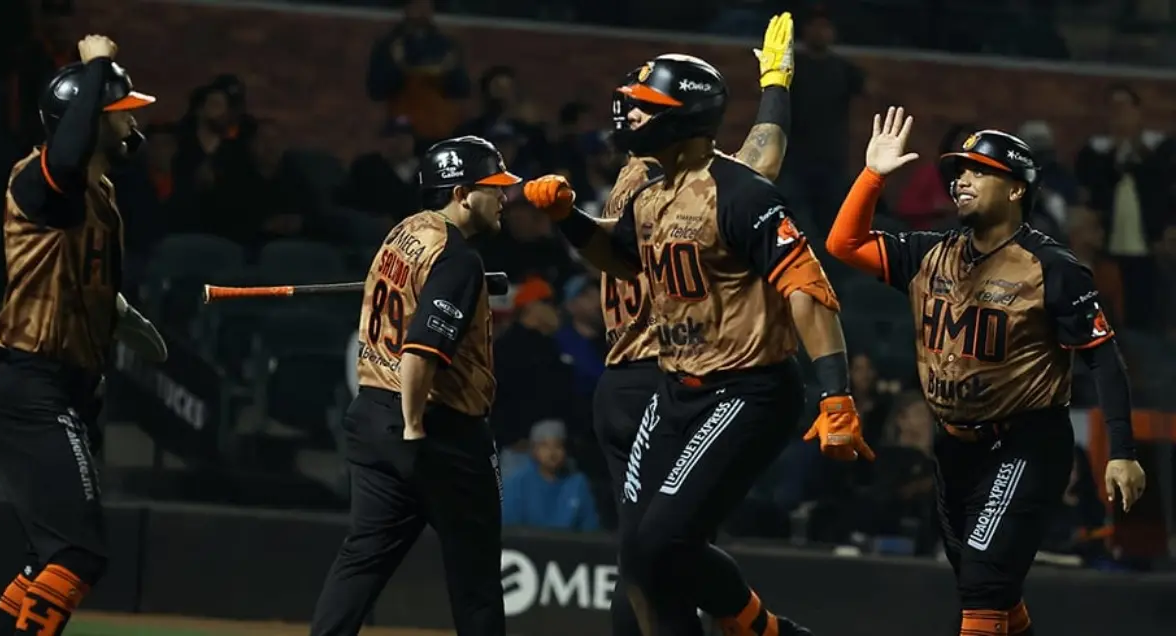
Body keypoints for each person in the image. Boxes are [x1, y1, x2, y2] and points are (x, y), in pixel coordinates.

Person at [525, 52, 872, 636]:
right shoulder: (652, 192)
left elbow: (807, 290)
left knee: (664, 541)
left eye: (647, 108)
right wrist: (569, 218)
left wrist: (835, 394)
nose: (631, 117)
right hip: (677, 385)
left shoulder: (740, 193)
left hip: (746, 387)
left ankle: (765, 629)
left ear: (683, 118)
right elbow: (623, 258)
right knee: (640, 558)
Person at [825, 107, 1147, 636]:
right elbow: (844, 244)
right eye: (959, 171)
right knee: (991, 591)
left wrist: (1122, 452)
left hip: (1025, 440)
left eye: (978, 171)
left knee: (982, 580)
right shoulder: (930, 253)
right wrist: (873, 175)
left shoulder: (1052, 268)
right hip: (954, 445)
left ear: (1017, 189)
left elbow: (1103, 357)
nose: (962, 180)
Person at [589, 12, 797, 636]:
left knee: (648, 558)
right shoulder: (670, 178)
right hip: (665, 377)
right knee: (657, 558)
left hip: (624, 378)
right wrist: (776, 85)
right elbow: (762, 159)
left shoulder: (633, 174)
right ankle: (760, 627)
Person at [0, 34, 167, 636]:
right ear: (86, 117)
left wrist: (116, 312)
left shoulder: (101, 193)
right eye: (119, 112)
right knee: (77, 553)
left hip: (66, 389)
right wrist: (96, 66)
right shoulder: (38, 179)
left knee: (48, 557)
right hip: (30, 385)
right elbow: (62, 163)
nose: (133, 122)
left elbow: (76, 274)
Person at [309, 136, 520, 636]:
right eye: (494, 187)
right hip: (436, 425)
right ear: (462, 193)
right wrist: (413, 425)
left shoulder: (404, 232)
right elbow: (421, 350)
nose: (504, 198)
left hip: (371, 415)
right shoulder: (457, 257)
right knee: (476, 578)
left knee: (362, 560)